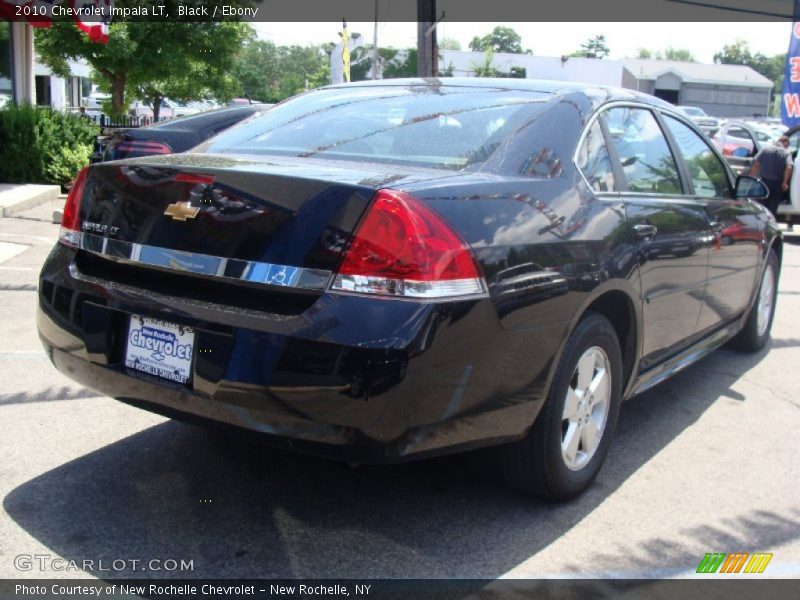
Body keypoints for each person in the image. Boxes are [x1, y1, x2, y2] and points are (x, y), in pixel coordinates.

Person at [749, 136, 792, 219]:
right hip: (777, 184)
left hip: (763, 183)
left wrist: (751, 179)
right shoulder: (786, 152)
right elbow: (789, 167)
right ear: (785, 144)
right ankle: (770, 223)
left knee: (761, 206)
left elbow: (756, 165)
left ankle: (761, 223)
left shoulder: (765, 149)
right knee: (772, 208)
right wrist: (785, 183)